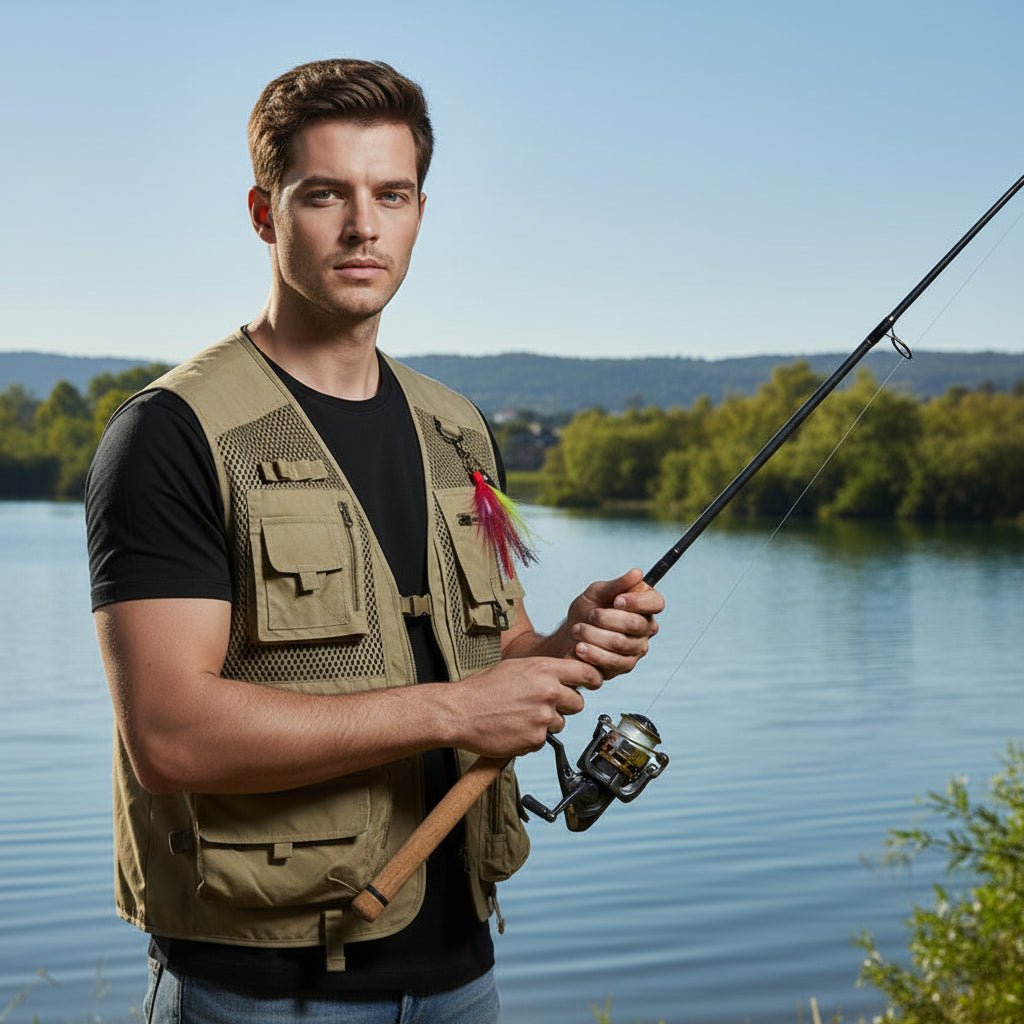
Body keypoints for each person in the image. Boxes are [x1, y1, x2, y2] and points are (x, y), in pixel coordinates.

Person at [86, 58, 664, 1024]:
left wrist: (569, 642)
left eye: (390, 194)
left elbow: (499, 655)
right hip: (259, 992)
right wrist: (453, 712)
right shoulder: (169, 435)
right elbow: (172, 738)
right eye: (326, 195)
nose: (364, 226)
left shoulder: (463, 431)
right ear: (265, 214)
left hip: (461, 977)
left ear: (420, 213)